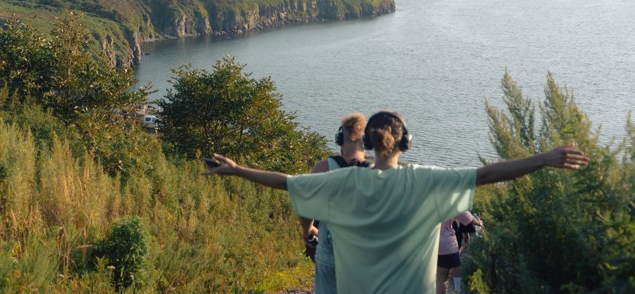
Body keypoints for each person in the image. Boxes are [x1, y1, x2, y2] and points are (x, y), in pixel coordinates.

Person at [203, 109, 589, 294]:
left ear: (368, 143)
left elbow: (287, 183)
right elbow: (486, 174)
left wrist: (237, 169)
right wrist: (544, 159)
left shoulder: (343, 183)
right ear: (406, 143)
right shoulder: (423, 181)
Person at [299, 112, 372, 294]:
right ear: (367, 143)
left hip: (329, 254)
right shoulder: (377, 172)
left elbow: (307, 208)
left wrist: (308, 230)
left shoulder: (323, 168)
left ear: (340, 140)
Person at [437, 211, 482, 294]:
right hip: (451, 244)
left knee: (440, 279)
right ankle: (457, 290)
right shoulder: (450, 204)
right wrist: (479, 223)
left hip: (437, 245)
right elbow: (467, 216)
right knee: (456, 271)